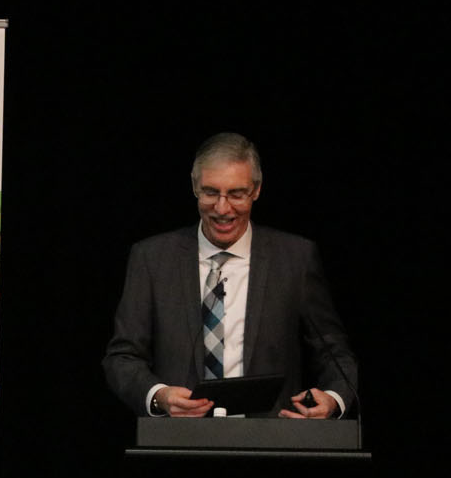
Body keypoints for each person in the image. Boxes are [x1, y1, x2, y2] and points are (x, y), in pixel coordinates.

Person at [103, 132, 358, 419]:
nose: (222, 208)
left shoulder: (295, 259)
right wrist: (159, 396)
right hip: (178, 438)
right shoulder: (152, 259)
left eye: (236, 194)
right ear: (194, 187)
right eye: (211, 192)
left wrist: (334, 399)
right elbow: (122, 357)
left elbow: (333, 352)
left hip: (270, 438)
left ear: (256, 190)